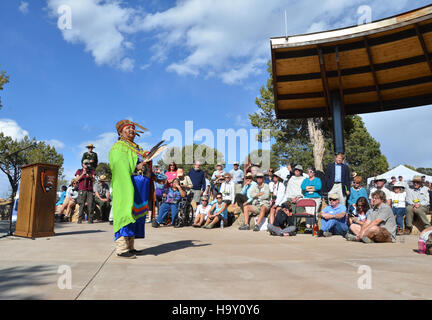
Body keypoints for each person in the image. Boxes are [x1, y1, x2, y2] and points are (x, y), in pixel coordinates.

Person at [109, 119, 152, 259]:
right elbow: (118, 165)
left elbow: (144, 159)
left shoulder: (137, 147)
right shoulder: (118, 147)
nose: (131, 131)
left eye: (133, 128)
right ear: (121, 131)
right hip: (127, 185)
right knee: (125, 213)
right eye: (128, 128)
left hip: (140, 185)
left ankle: (130, 246)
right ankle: (121, 248)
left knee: (135, 215)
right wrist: (136, 166)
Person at [75, 159, 96, 224]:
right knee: (81, 204)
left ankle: (90, 220)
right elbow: (76, 180)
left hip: (89, 190)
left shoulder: (92, 171)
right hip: (81, 189)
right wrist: (82, 174)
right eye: (85, 163)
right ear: (82, 164)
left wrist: (90, 176)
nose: (87, 165)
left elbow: (94, 180)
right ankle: (79, 220)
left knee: (90, 204)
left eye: (88, 163)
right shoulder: (79, 171)